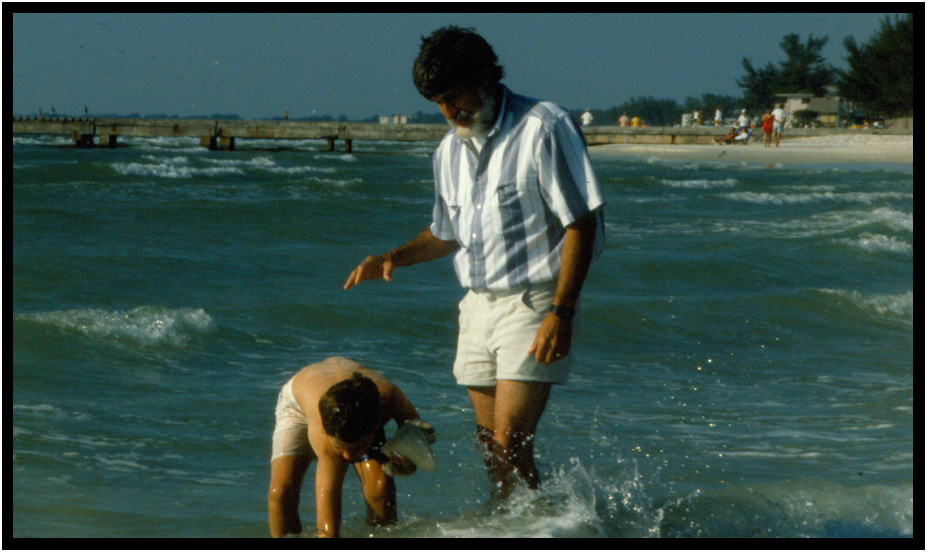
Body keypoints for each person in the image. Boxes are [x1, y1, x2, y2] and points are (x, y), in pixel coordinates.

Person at [344, 26, 605, 503]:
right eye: (438, 102)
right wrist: (392, 257)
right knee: (491, 449)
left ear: (486, 76)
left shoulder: (543, 126)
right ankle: (530, 523)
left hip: (535, 301)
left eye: (454, 96)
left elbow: (581, 222)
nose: (449, 111)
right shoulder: (448, 151)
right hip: (478, 305)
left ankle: (548, 526)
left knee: (510, 443)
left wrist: (562, 311)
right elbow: (446, 234)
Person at [267, 357, 434, 537]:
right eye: (341, 448)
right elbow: (327, 531)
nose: (347, 456)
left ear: (374, 428)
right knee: (280, 495)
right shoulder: (327, 440)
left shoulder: (389, 398)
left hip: (357, 405)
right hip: (298, 402)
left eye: (355, 448)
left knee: (380, 489)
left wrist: (408, 461)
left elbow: (419, 434)